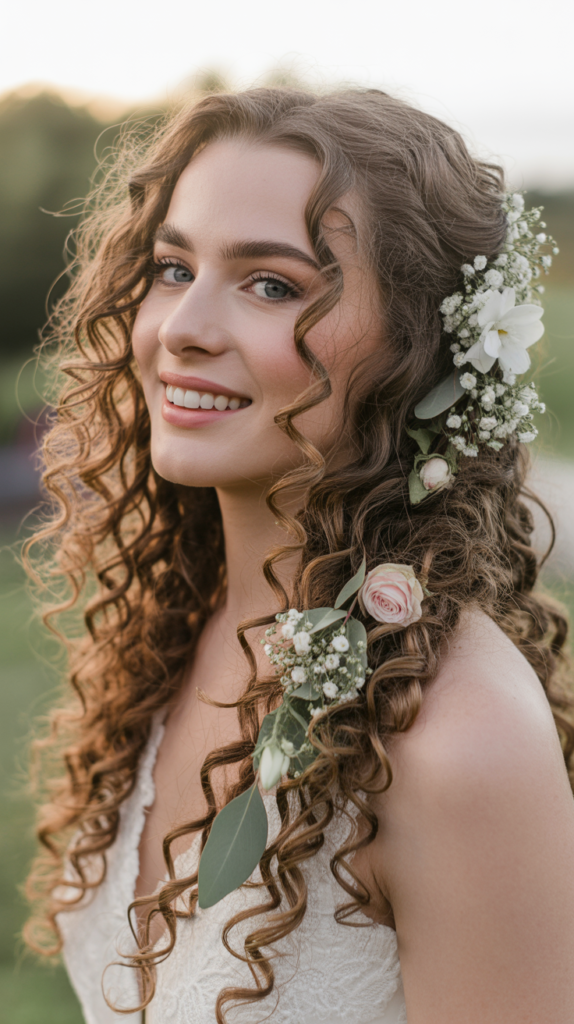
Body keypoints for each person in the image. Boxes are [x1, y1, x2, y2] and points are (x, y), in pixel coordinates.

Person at [23, 86, 574, 1024]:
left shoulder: (459, 745)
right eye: (169, 267)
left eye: (271, 285)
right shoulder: (176, 632)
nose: (182, 329)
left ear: (421, 347)